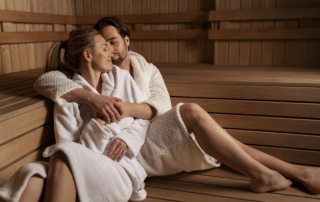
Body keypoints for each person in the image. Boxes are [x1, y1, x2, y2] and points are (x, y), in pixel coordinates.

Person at [33, 16, 320, 195]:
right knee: (195, 115)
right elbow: (46, 82)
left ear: (126, 42)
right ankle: (284, 173)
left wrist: (123, 111)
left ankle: (288, 173)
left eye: (114, 42)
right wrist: (93, 99)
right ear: (89, 52)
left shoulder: (145, 70)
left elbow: (159, 105)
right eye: (104, 45)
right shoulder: (79, 78)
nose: (111, 49)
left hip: (140, 134)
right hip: (130, 151)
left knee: (200, 122)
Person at [0, 28, 150, 202]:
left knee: (61, 154)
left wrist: (127, 138)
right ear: (87, 55)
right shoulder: (67, 96)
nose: (111, 51)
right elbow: (75, 151)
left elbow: (144, 116)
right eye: (104, 47)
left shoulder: (122, 78)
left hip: (120, 167)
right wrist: (98, 123)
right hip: (85, 166)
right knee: (34, 173)